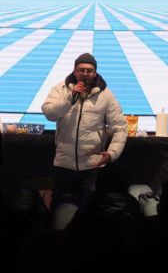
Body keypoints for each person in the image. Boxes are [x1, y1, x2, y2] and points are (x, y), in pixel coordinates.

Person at [42, 53, 127, 217]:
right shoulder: (61, 89)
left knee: (90, 213)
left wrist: (112, 153)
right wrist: (70, 97)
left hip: (92, 166)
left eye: (89, 70)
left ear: (95, 73)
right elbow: (49, 114)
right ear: (75, 71)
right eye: (82, 70)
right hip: (63, 165)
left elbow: (119, 127)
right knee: (60, 212)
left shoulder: (106, 95)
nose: (85, 73)